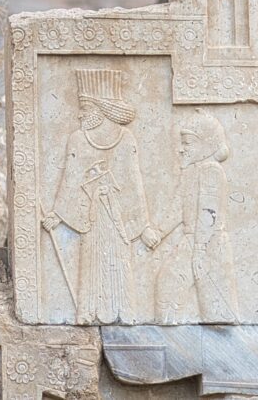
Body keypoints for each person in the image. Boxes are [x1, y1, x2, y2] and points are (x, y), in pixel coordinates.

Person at [41, 68, 152, 324]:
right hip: (90, 216)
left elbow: (134, 184)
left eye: (86, 109)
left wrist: (143, 226)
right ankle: (89, 311)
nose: (80, 114)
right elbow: (69, 180)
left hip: (117, 216)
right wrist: (58, 214)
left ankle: (124, 312)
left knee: (119, 261)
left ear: (102, 110)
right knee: (92, 261)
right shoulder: (77, 140)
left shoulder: (126, 139)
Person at [143, 109, 240, 323]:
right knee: (168, 284)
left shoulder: (211, 171)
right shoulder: (191, 172)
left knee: (216, 306)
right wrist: (159, 232)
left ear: (206, 145)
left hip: (208, 243)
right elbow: (178, 206)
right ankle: (169, 330)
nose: (181, 149)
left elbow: (208, 214)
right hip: (193, 241)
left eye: (187, 143)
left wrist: (200, 251)